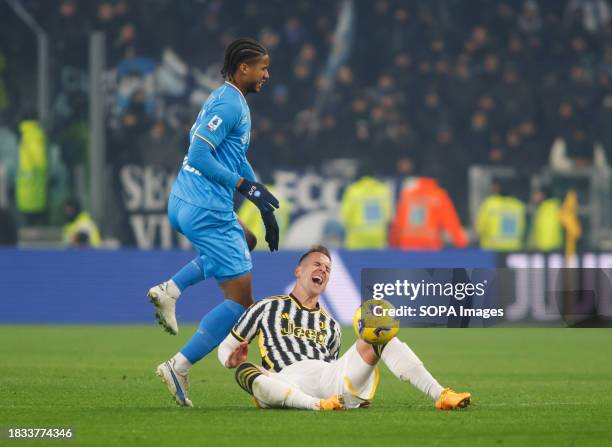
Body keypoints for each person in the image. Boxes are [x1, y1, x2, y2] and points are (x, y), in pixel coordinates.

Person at [152, 38, 280, 407]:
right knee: (240, 301)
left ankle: (170, 290)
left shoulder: (228, 98)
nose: (267, 75)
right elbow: (198, 153)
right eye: (263, 68)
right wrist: (243, 186)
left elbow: (235, 157)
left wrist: (262, 205)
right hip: (207, 209)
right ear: (244, 69)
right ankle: (178, 366)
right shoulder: (229, 103)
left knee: (248, 240)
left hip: (185, 200)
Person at [215, 245, 471, 411]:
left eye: (327, 269)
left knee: (379, 333)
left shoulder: (331, 324)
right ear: (298, 270)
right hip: (284, 380)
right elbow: (227, 347)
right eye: (317, 264)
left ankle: (441, 394)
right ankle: (316, 405)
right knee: (245, 371)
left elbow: (333, 363)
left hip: (327, 377)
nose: (323, 271)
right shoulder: (267, 306)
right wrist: (229, 359)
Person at [389, 176, 468, 250]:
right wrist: (461, 244)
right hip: (429, 247)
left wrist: (393, 245)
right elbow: (451, 222)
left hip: (407, 245)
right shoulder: (439, 196)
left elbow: (398, 223)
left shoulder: (407, 195)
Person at [476, 180, 526, 251]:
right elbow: (522, 228)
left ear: (498, 189)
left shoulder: (490, 203)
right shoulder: (518, 205)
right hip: (513, 248)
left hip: (492, 249)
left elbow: (480, 227)